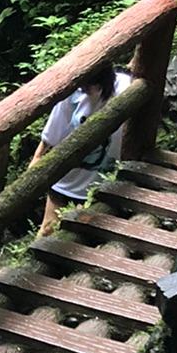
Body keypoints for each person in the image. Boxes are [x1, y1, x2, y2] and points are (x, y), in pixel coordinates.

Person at [32, 64, 133, 236]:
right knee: (48, 229)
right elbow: (49, 140)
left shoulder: (126, 87)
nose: (88, 90)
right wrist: (36, 163)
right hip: (66, 181)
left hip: (101, 181)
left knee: (84, 236)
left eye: (91, 86)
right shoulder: (70, 96)